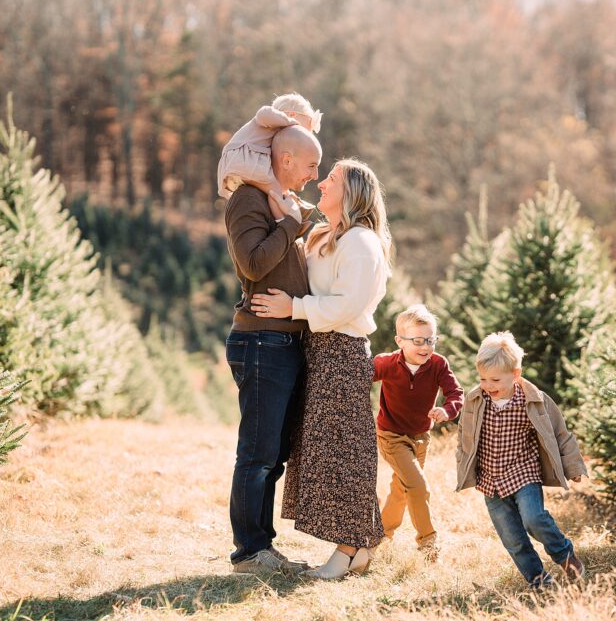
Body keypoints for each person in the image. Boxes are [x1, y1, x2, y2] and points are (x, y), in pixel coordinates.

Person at [250, 158, 392, 580]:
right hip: (317, 350)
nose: (322, 183)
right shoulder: (325, 235)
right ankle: (360, 545)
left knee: (346, 453)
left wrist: (293, 308)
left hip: (343, 353)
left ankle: (348, 547)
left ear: (352, 193)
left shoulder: (362, 243)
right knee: (323, 451)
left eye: (331, 179)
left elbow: (346, 304)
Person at [223, 125, 322, 577]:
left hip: (283, 342)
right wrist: (289, 225)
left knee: (274, 453)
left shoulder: (285, 204)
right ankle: (248, 552)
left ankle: (262, 546)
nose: (314, 175)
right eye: (310, 165)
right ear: (285, 160)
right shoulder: (248, 199)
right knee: (258, 453)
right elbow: (252, 263)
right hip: (261, 341)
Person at [455, 331, 589, 588]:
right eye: (482, 378)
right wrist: (464, 467)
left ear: (515, 375)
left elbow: (559, 433)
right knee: (513, 539)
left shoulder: (533, 400)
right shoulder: (475, 400)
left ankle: (565, 556)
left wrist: (572, 466)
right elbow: (465, 435)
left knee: (534, 519)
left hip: (523, 472)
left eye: (495, 379)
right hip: (491, 481)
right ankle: (540, 581)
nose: (488, 385)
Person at [373, 304, 464, 563]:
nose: (425, 346)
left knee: (402, 490)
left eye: (430, 339)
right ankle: (428, 542)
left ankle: (382, 535)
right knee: (418, 486)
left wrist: (447, 410)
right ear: (400, 341)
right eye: (417, 341)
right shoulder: (387, 364)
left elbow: (456, 393)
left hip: (421, 438)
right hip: (391, 436)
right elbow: (357, 377)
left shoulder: (437, 364)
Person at [217, 91, 322, 221]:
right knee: (274, 190)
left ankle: (285, 217)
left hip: (245, 163)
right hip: (241, 160)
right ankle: (287, 220)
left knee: (274, 189)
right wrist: (291, 123)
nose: (301, 135)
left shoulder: (276, 139)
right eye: (302, 129)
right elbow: (263, 112)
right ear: (291, 115)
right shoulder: (268, 121)